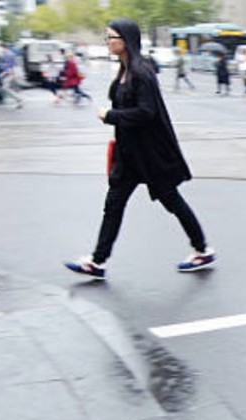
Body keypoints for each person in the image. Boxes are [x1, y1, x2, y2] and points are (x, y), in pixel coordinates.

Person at [64, 18, 215, 280]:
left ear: (126, 40)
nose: (108, 42)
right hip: (129, 155)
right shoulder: (125, 71)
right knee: (113, 205)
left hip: (149, 155)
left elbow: (147, 112)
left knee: (172, 202)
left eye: (112, 37)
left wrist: (111, 115)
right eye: (107, 37)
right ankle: (97, 261)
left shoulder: (141, 73)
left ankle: (202, 249)